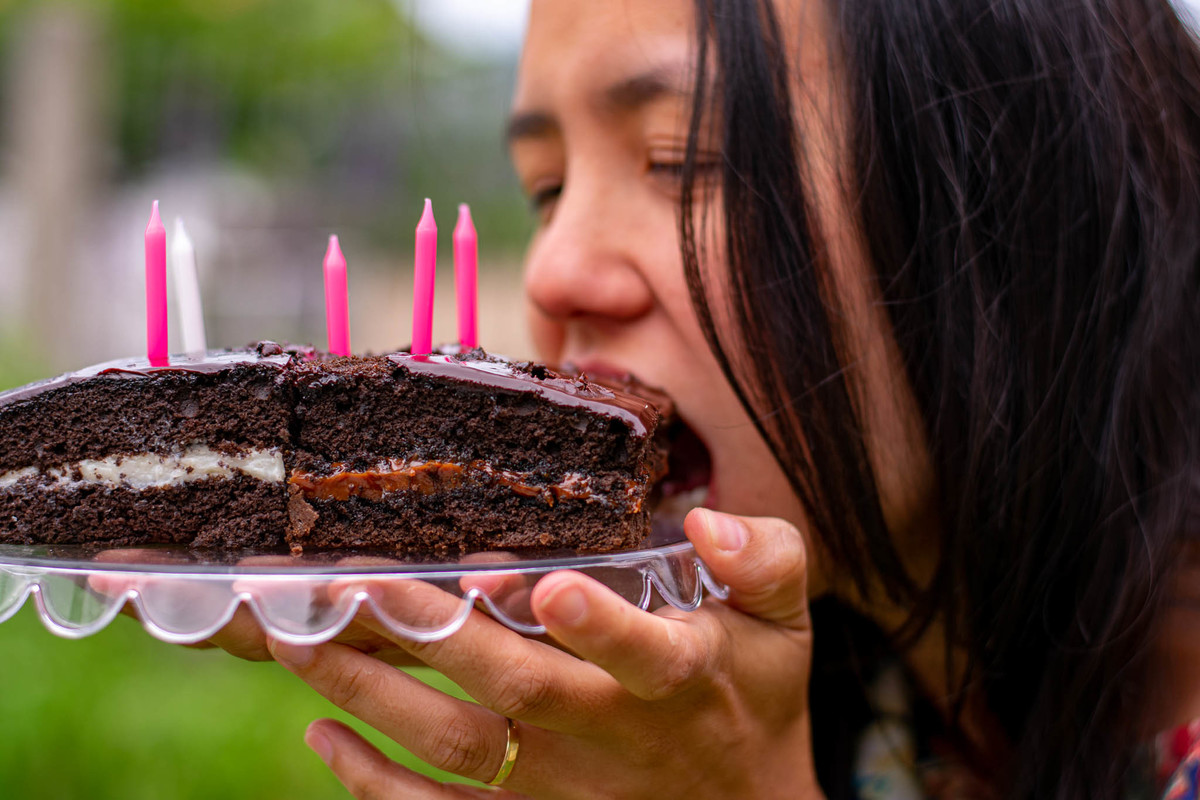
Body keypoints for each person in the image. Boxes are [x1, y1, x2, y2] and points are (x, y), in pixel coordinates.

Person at [206, 0, 1200, 797]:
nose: (552, 275)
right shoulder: (860, 698)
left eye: (683, 160)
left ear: (1014, 206)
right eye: (545, 188)